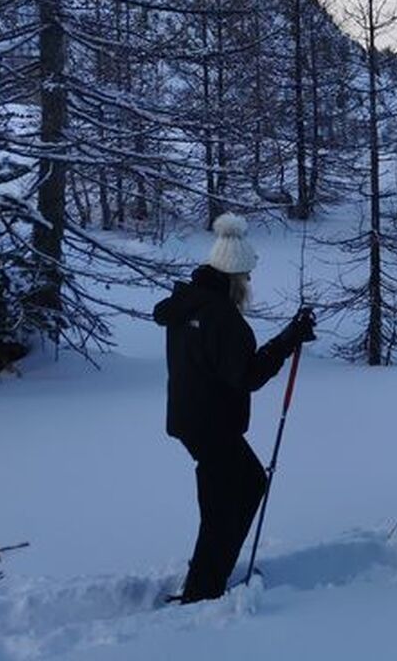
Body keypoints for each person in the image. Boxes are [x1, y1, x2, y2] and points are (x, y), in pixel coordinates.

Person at [153, 213, 316, 604]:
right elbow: (247, 376)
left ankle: (213, 573)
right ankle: (203, 591)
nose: (248, 286)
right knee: (224, 504)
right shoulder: (223, 319)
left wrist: (286, 339)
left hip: (192, 419)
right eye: (246, 278)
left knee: (247, 485)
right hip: (213, 426)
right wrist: (289, 339)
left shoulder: (187, 305)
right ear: (233, 278)